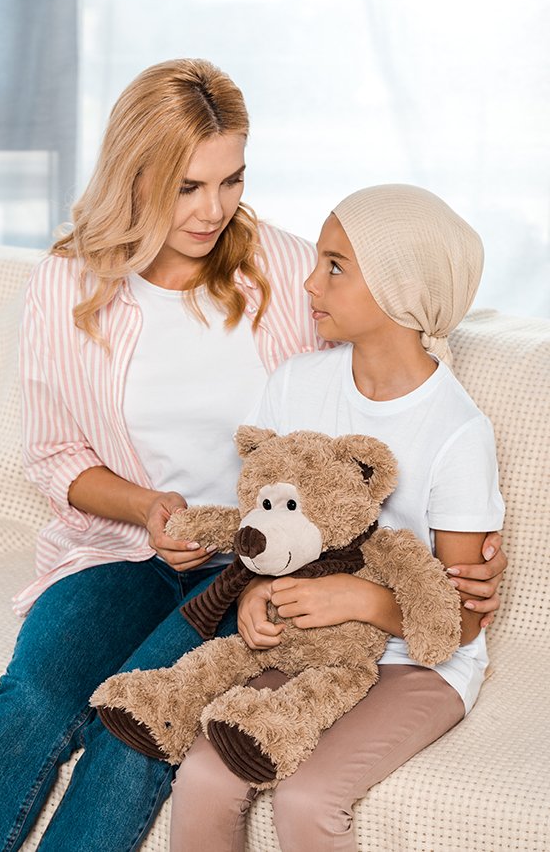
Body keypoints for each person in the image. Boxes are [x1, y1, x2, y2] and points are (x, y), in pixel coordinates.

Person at [0, 60, 504, 852]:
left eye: (231, 180)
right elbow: (53, 454)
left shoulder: (283, 269)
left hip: (248, 571)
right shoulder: (68, 281)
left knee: (136, 728)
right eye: (187, 187)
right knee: (33, 697)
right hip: (120, 549)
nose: (214, 209)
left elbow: (390, 338)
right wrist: (147, 507)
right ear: (135, 175)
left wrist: (448, 568)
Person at [167, 184, 505, 852]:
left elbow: (461, 621)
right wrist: (259, 597)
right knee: (204, 773)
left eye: (334, 266)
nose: (309, 280)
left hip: (420, 663)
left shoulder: (458, 431)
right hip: (309, 643)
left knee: (307, 796)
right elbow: (268, 541)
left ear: (398, 290)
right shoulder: (296, 385)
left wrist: (357, 597)